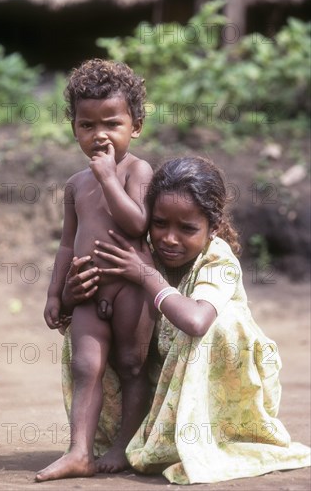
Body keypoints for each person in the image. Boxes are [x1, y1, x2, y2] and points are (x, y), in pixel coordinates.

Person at [49, 155, 310, 484]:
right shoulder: (140, 253)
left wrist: (147, 277)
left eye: (187, 228)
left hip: (220, 395)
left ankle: (200, 437)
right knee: (91, 328)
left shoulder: (216, 260)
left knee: (221, 322)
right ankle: (120, 438)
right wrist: (72, 295)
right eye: (159, 224)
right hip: (159, 383)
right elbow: (84, 315)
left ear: (212, 227)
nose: (169, 238)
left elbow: (197, 322)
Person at [36, 59, 155, 481]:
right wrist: (55, 293)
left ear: (135, 125)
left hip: (129, 288)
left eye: (111, 123)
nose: (99, 134)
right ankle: (79, 452)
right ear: (74, 128)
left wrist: (108, 178)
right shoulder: (74, 185)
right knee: (85, 367)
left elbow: (138, 224)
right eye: (87, 125)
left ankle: (125, 444)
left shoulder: (137, 170)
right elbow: (68, 243)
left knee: (131, 365)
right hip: (86, 290)